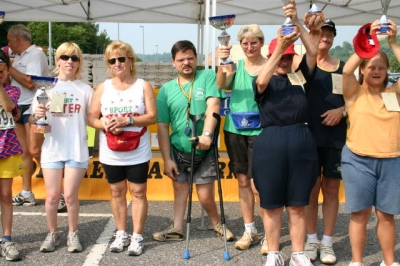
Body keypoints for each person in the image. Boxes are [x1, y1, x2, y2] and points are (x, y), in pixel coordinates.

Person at [252, 1, 321, 265]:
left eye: (289, 56)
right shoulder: (264, 79)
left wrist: (297, 22)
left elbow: (313, 52)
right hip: (271, 142)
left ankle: (299, 253)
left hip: (301, 141)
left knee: (297, 203)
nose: (284, 60)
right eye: (280, 56)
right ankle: (273, 253)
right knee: (270, 203)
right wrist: (278, 47)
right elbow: (260, 81)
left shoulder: (300, 77)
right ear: (271, 56)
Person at [153, 40, 235, 243]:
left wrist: (207, 135)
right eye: (181, 59)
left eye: (190, 58)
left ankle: (218, 223)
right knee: (180, 190)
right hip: (179, 149)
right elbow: (162, 127)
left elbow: (214, 105)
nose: (186, 63)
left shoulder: (206, 76)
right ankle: (177, 228)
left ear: (196, 58)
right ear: (173, 62)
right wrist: (167, 160)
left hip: (204, 148)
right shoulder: (166, 90)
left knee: (205, 195)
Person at [88, 40, 156, 256]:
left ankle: (137, 236)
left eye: (121, 59)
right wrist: (103, 124)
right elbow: (91, 117)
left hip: (137, 148)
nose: (117, 63)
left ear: (131, 60)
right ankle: (121, 233)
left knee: (138, 192)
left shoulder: (143, 85)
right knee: (116, 191)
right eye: (112, 60)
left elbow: (152, 117)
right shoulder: (103, 87)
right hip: (111, 148)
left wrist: (128, 120)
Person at [342, 20, 400, 266]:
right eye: (371, 67)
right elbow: (346, 71)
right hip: (358, 160)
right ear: (363, 70)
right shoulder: (354, 92)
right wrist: (368, 45)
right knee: (360, 214)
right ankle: (357, 262)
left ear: (387, 71)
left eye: (381, 68)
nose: (376, 71)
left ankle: (390, 262)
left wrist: (392, 42)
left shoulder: (394, 94)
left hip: (391, 161)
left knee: (387, 215)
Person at [30, 42, 93, 253]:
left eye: (74, 58)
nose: (69, 62)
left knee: (70, 196)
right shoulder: (46, 87)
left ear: (79, 62)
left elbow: (93, 119)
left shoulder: (85, 89)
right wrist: (37, 117)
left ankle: (72, 233)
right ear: (57, 60)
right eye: (65, 57)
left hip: (77, 149)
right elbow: (33, 121)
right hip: (52, 149)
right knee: (52, 197)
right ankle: (53, 232)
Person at [216, 24, 268, 254]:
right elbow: (221, 85)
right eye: (245, 43)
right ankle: (250, 230)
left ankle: (270, 232)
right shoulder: (234, 66)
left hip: (261, 131)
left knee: (259, 185)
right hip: (235, 128)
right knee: (243, 182)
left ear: (261, 43)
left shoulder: (270, 66)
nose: (249, 47)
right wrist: (222, 63)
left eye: (253, 42)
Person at [303, 19, 346, 264]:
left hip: (334, 138)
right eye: (320, 34)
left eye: (329, 35)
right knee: (310, 189)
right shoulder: (303, 66)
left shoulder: (344, 68)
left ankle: (327, 243)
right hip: (307, 137)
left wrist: (342, 111)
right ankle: (311, 239)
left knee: (331, 190)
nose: (325, 38)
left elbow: (354, 99)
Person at [7, 24, 49, 206]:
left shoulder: (36, 54)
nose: (8, 44)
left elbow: (31, 83)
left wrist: (8, 67)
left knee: (36, 150)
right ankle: (26, 192)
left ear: (17, 39)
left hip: (36, 107)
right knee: (24, 151)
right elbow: (12, 79)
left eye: (9, 40)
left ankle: (57, 191)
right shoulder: (17, 57)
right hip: (18, 106)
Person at [0, 49, 24, 261]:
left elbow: (9, 108)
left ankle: (6, 238)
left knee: (6, 195)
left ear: (7, 70)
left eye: (2, 70)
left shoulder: (12, 91)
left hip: (6, 150)